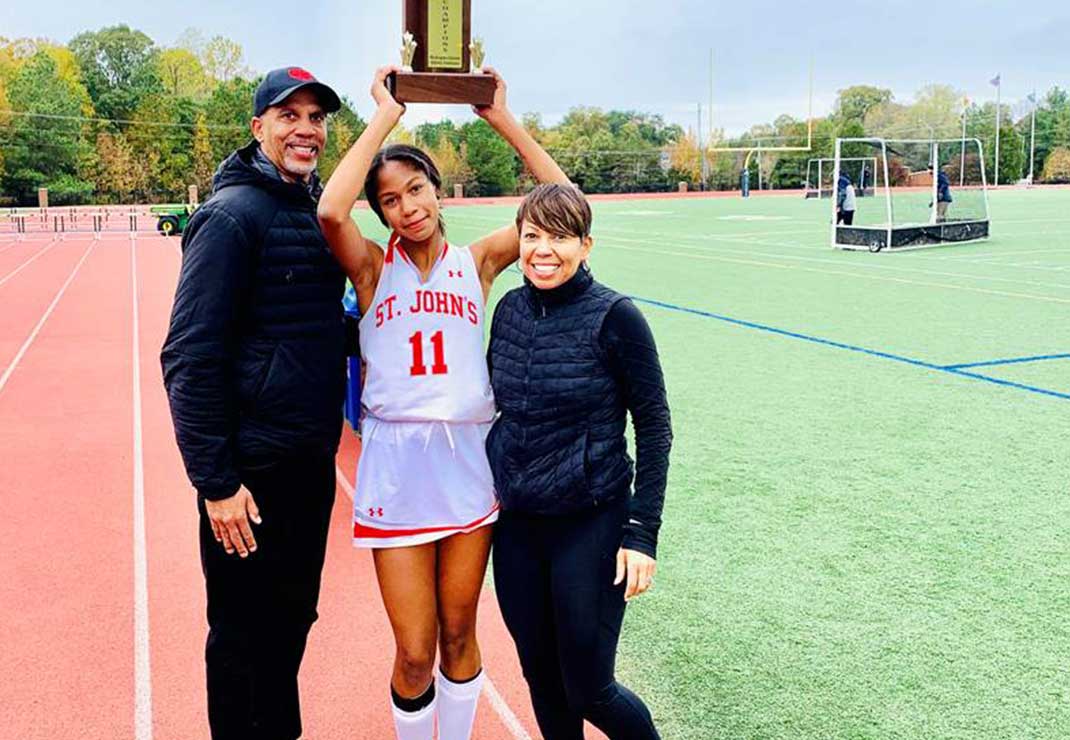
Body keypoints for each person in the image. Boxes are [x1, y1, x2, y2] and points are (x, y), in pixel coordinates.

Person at [316, 66, 570, 740]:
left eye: (418, 189)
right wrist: (386, 115)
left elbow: (563, 200)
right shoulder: (371, 268)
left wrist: (500, 116)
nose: (410, 206)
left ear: (437, 192)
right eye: (392, 199)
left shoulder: (478, 262)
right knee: (413, 650)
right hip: (398, 467)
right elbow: (328, 212)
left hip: (467, 461)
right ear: (384, 213)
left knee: (461, 633)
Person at [161, 66, 346, 740]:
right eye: (289, 115)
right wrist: (217, 483)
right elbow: (188, 357)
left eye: (317, 118)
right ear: (258, 126)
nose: (306, 130)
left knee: (294, 615)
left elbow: (313, 326)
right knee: (240, 632)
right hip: (250, 474)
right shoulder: (230, 218)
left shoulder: (311, 209)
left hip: (307, 461)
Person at [486, 184, 672, 740]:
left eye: (560, 237)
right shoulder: (510, 309)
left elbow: (655, 426)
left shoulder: (616, 316)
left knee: (588, 687)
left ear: (586, 245)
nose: (544, 250)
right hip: (518, 525)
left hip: (590, 522)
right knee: (541, 677)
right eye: (532, 235)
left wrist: (642, 533)